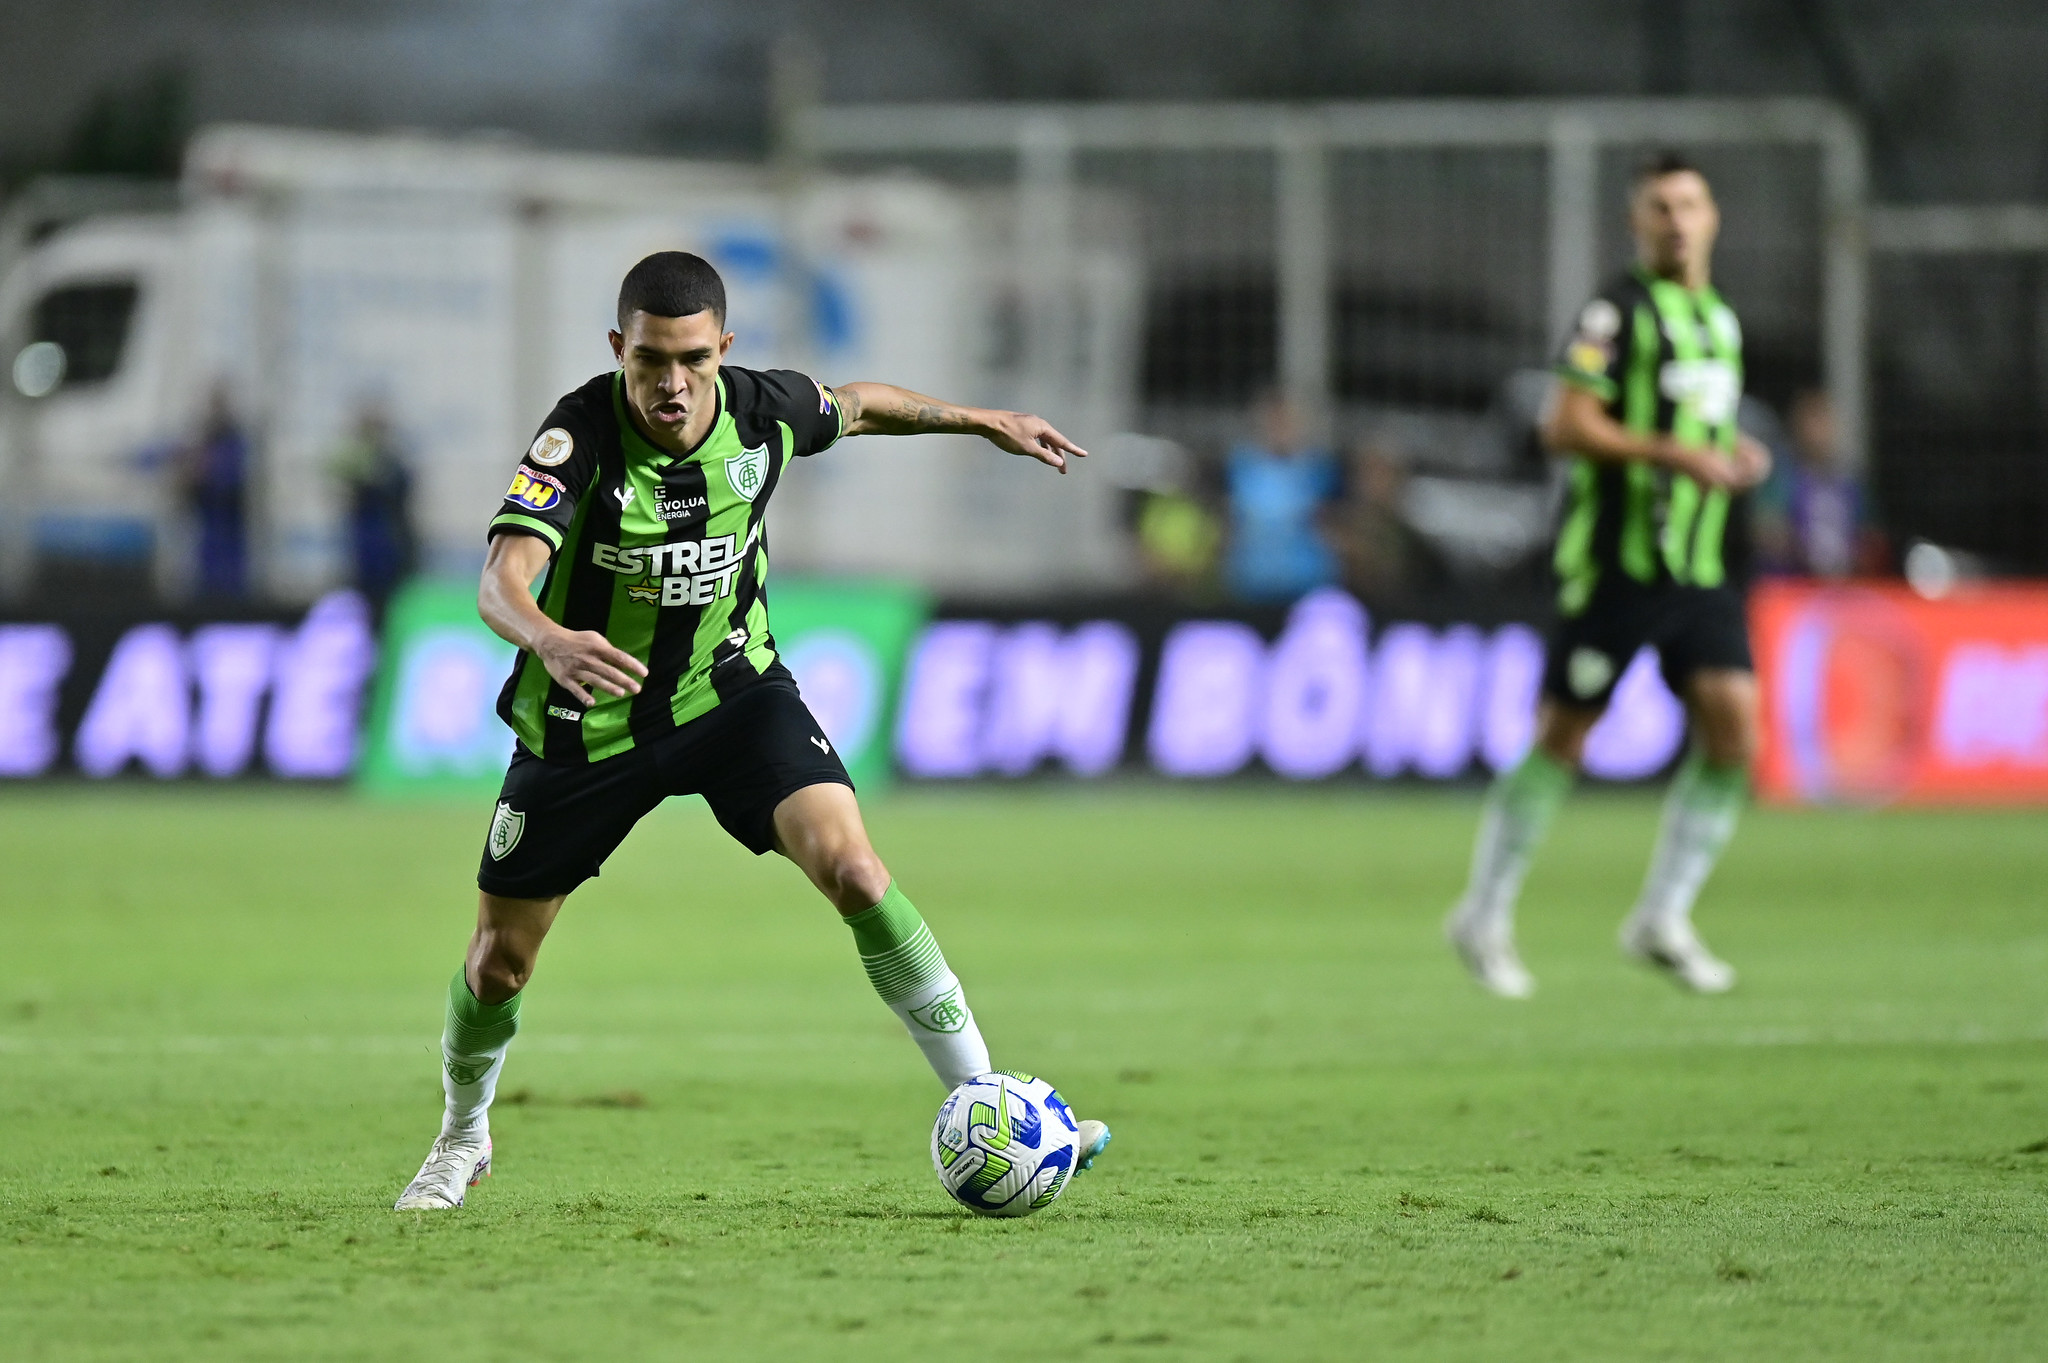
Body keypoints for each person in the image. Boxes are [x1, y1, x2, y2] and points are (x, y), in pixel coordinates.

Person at [394, 251, 1111, 1209]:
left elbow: (860, 403)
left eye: (692, 358)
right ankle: (462, 1134)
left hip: (733, 694)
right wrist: (550, 637)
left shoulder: (763, 409)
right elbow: (501, 578)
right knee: (499, 961)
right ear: (620, 351)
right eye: (650, 360)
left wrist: (986, 421)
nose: (671, 383)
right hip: (588, 719)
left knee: (856, 870)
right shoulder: (579, 438)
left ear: (723, 349)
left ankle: (991, 1098)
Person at [1444, 152, 1772, 999]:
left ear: (1713, 216)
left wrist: (1730, 454)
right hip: (1616, 568)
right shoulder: (1613, 313)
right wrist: (1671, 452)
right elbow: (1566, 424)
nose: (1677, 219)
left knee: (1735, 731)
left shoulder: (1721, 321)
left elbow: (1699, 425)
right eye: (1660, 207)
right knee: (1564, 737)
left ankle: (1661, 915)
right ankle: (1483, 913)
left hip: (1699, 568)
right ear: (1638, 222)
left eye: (1690, 203)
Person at [1222, 390, 1342, 602]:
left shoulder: (1318, 470)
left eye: (1286, 421)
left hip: (1305, 580)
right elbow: (1230, 521)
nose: (1280, 428)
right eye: (1274, 421)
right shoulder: (1240, 467)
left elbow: (1329, 522)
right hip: (1252, 579)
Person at [1752, 388, 1882, 578]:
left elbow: (1871, 537)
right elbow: (1766, 533)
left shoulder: (1850, 484)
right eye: (1813, 422)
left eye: (1826, 422)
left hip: (1845, 588)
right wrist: (1809, 551)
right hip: (1790, 587)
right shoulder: (1782, 478)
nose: (1820, 432)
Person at [329, 400, 417, 610]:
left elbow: (401, 495)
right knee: (365, 600)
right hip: (365, 551)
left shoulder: (392, 464)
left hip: (388, 548)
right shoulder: (357, 464)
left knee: (389, 602)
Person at [178, 385, 251, 598]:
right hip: (209, 527)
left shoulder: (233, 440)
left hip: (227, 525)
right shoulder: (204, 439)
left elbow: (229, 478)